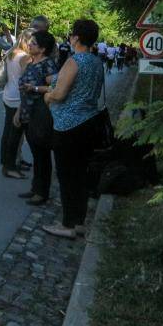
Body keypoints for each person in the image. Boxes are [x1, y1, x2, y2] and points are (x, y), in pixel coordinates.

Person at [44, 18, 109, 239]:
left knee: (66, 176)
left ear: (77, 38)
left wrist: (48, 95)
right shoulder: (96, 61)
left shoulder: (74, 61)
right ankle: (79, 221)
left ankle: (68, 224)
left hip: (68, 126)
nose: (70, 38)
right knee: (81, 175)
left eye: (72, 34)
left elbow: (60, 93)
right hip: (89, 123)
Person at [14, 30, 58, 206]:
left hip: (41, 113)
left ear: (42, 48)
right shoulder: (32, 62)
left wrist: (36, 88)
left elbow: (56, 88)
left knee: (42, 153)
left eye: (33, 43)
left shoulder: (47, 65)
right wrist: (19, 111)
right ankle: (35, 188)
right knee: (35, 152)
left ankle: (42, 192)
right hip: (28, 111)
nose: (29, 45)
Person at [0, 29, 34, 179]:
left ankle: (6, 163)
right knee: (15, 135)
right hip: (18, 99)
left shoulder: (12, 53)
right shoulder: (25, 57)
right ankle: (10, 166)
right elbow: (27, 80)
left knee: (8, 132)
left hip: (8, 94)